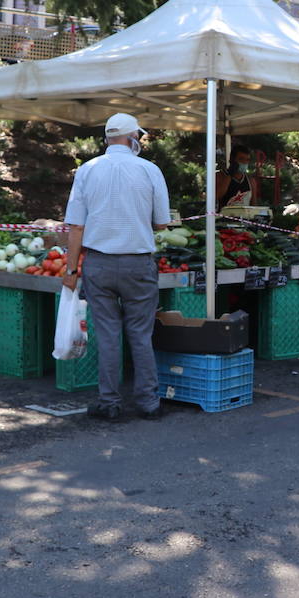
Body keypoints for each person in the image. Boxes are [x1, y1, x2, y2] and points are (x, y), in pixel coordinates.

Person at [63, 114, 171, 422]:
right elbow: (162, 222)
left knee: (109, 335)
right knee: (140, 334)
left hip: (99, 263)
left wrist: (71, 271)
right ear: (132, 138)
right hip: (138, 264)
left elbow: (76, 228)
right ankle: (148, 403)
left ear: (108, 138)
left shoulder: (87, 170)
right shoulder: (150, 170)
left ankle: (109, 402)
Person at [216, 144, 258, 208]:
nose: (244, 162)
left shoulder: (250, 181)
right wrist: (229, 175)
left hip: (244, 217)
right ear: (232, 160)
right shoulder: (220, 176)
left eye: (247, 160)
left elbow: (253, 205)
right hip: (223, 216)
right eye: (241, 159)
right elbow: (216, 196)